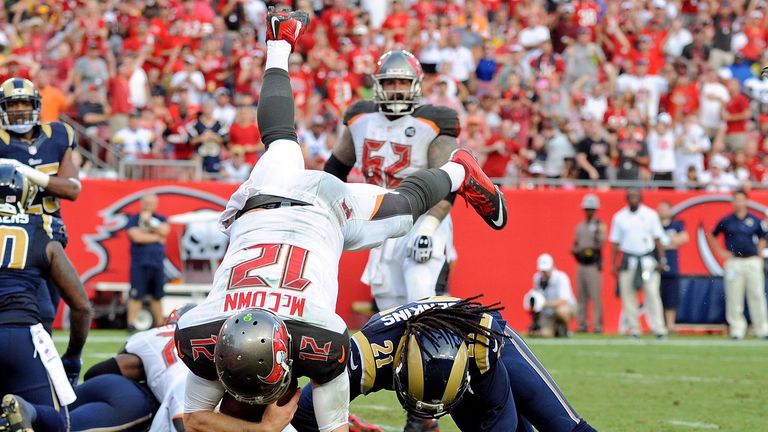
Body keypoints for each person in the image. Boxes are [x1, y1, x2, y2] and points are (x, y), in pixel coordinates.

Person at [174, 10, 507, 432]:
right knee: (280, 138)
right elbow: (190, 422)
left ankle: (459, 170)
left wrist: (261, 428)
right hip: (264, 200)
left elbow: (192, 421)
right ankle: (279, 42)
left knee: (403, 213)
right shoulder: (204, 328)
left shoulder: (314, 337)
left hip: (324, 216)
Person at [290, 297, 597, 432]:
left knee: (561, 425)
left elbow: (498, 418)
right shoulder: (368, 356)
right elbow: (302, 414)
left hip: (489, 341)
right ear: (398, 368)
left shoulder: (480, 351)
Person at [323, 48, 476, 314]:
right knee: (388, 308)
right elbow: (336, 168)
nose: (396, 89)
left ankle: (435, 354)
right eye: (390, 82)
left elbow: (448, 178)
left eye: (403, 82)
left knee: (421, 291)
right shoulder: (360, 117)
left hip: (423, 215)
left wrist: (429, 226)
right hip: (380, 219)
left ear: (415, 85)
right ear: (378, 85)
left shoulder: (434, 120)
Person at [0, 164, 92, 432]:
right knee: (55, 422)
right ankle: (23, 407)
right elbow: (81, 306)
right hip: (23, 336)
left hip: (22, 331)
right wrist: (73, 356)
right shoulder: (41, 229)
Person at [0, 77, 82, 333]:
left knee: (50, 307)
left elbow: (71, 189)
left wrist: (26, 172)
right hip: (10, 234)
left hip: (48, 234)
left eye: (24, 102)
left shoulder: (59, 134)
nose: (19, 109)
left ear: (36, 105)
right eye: (12, 105)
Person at [69, 305, 197, 432]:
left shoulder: (149, 336)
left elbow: (102, 370)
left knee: (61, 417)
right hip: (171, 397)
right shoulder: (205, 340)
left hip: (119, 388)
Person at [706, 190, 768, 340]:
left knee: (757, 295)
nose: (739, 203)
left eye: (741, 200)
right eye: (736, 200)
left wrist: (759, 253)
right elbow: (711, 235)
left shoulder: (754, 219)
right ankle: (737, 329)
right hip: (734, 261)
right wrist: (721, 252)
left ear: (746, 201)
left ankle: (762, 329)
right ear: (732, 202)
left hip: (751, 260)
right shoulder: (727, 220)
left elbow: (762, 236)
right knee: (734, 296)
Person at [610, 189, 668, 339]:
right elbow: (615, 243)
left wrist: (662, 260)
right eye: (630, 196)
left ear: (641, 198)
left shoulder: (650, 215)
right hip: (629, 261)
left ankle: (659, 328)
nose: (633, 199)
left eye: (635, 196)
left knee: (652, 293)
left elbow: (658, 239)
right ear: (626, 199)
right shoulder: (619, 217)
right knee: (628, 295)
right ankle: (634, 329)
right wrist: (613, 263)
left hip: (647, 261)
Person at [126, 193, 171, 332]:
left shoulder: (161, 218)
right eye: (147, 202)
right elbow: (136, 237)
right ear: (141, 203)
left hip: (157, 263)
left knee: (157, 295)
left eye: (152, 202)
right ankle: (131, 324)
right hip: (140, 263)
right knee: (136, 295)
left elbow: (165, 231)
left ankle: (160, 324)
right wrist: (157, 237)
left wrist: (149, 223)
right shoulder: (133, 219)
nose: (149, 205)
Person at [572, 194, 606, 333]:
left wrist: (597, 235)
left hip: (593, 264)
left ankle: (597, 325)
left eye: (591, 209)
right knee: (581, 296)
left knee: (595, 296)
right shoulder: (580, 227)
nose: (589, 211)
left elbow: (601, 243)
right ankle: (582, 324)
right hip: (581, 263)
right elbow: (576, 244)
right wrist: (577, 250)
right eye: (587, 209)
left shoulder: (600, 225)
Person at [526, 254, 577, 338]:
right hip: (548, 312)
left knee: (562, 311)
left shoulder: (561, 277)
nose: (544, 273)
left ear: (552, 267)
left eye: (546, 270)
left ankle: (564, 327)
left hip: (566, 307)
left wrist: (543, 304)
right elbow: (536, 298)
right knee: (544, 334)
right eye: (542, 270)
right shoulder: (537, 278)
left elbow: (563, 300)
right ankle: (558, 330)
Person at [657, 201, 688, 333]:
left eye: (666, 208)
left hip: (672, 265)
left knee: (671, 297)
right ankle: (659, 324)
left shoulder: (677, 224)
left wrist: (666, 241)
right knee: (657, 296)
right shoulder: (655, 225)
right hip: (656, 265)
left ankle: (670, 325)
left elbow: (683, 238)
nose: (663, 211)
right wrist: (670, 240)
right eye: (661, 208)